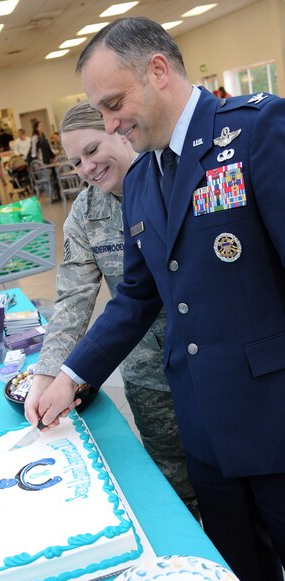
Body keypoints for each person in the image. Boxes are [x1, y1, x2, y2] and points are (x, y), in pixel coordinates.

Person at [24, 16, 285, 581]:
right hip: (201, 428)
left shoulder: (257, 132)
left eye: (114, 103)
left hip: (273, 422)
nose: (111, 122)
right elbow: (138, 297)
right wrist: (69, 375)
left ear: (158, 72)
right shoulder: (144, 179)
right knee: (236, 572)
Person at [30, 100, 197, 517]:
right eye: (75, 162)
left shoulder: (173, 181)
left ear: (118, 131)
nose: (86, 167)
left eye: (91, 150)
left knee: (238, 480)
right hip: (147, 374)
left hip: (208, 365)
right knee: (175, 482)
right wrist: (48, 375)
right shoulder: (86, 215)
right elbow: (72, 298)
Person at [30, 121, 61, 200]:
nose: (41, 127)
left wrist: (53, 156)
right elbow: (33, 152)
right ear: (36, 128)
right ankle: (51, 197)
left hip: (47, 160)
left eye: (41, 126)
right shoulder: (35, 138)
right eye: (40, 126)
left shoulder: (44, 136)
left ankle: (57, 195)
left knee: (53, 177)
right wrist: (36, 163)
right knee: (46, 179)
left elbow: (49, 148)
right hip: (41, 162)